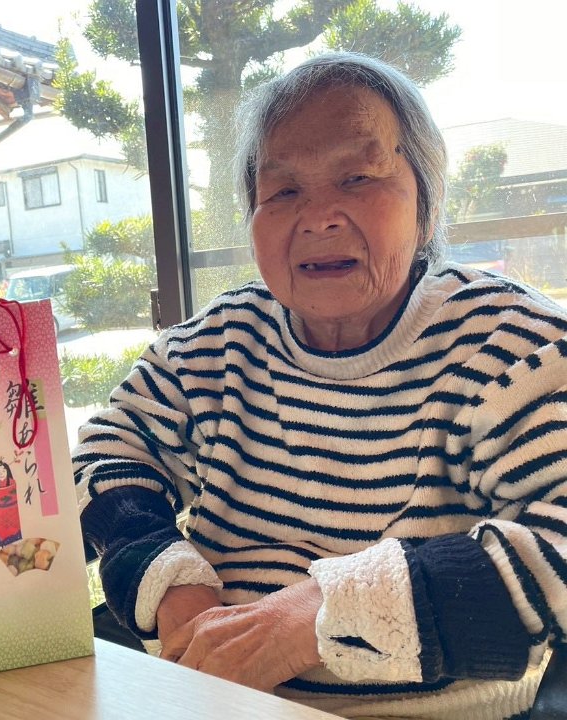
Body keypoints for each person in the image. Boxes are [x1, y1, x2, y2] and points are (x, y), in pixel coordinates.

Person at [73, 52, 567, 719]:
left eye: (357, 177)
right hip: (213, 704)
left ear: (426, 204)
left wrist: (319, 615)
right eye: (283, 192)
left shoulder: (513, 344)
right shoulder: (216, 344)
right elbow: (104, 455)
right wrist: (169, 581)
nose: (319, 216)